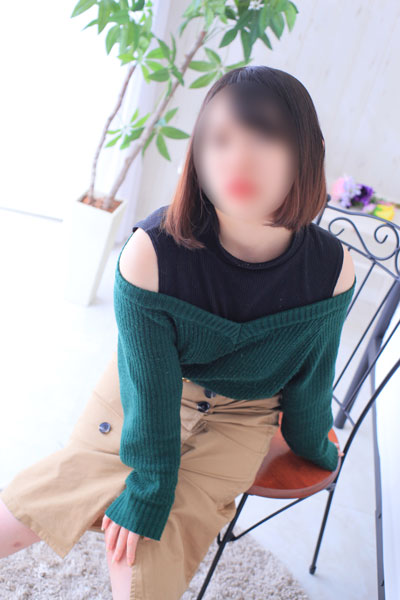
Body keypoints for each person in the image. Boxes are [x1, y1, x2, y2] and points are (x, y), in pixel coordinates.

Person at [0, 65, 355, 599]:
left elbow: (310, 381)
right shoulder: (149, 254)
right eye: (220, 140)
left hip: (242, 415)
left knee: (151, 558)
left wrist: (317, 448)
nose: (238, 158)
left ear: (308, 152)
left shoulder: (331, 269)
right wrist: (148, 488)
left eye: (265, 137)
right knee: (47, 499)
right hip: (141, 392)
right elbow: (150, 390)